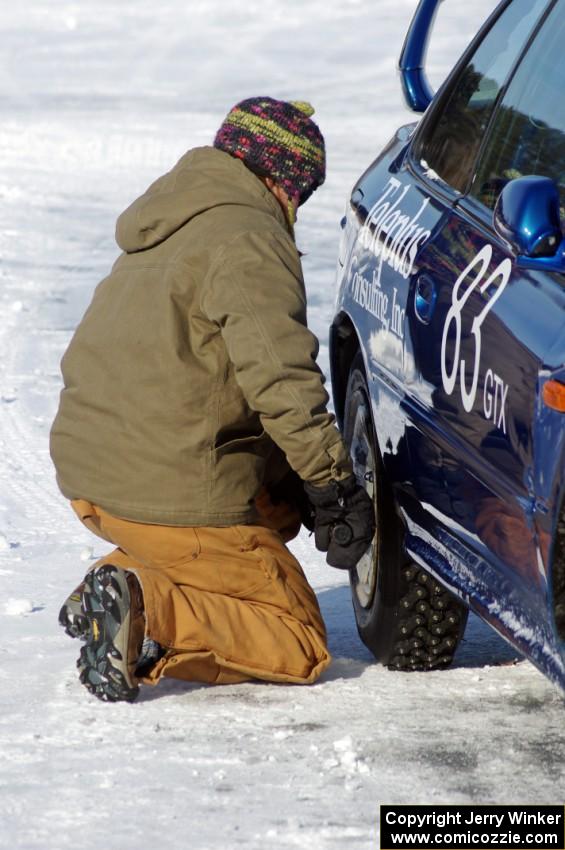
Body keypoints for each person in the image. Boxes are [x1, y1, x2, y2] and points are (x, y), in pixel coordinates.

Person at [50, 96, 374, 703]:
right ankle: (146, 609)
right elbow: (281, 379)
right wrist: (332, 484)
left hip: (96, 481)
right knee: (297, 637)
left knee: (273, 512)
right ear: (281, 180)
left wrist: (291, 483)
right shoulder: (249, 237)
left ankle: (122, 579)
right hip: (166, 489)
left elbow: (215, 380)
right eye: (300, 194)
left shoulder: (169, 223)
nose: (296, 210)